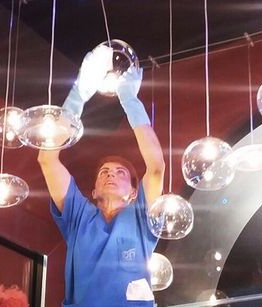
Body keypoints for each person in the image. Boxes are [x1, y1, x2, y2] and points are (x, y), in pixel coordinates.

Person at [37, 46, 165, 306]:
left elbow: (156, 167)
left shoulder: (140, 216)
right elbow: (46, 158)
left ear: (133, 192)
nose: (110, 175)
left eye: (120, 173)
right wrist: (79, 92)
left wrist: (129, 98)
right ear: (93, 191)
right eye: (104, 172)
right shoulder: (79, 216)